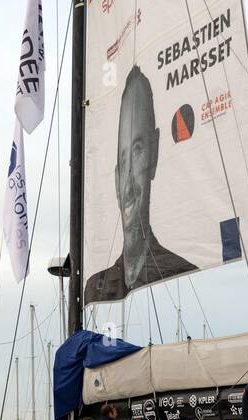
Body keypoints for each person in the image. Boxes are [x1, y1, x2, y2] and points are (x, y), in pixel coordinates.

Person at [84, 67, 197, 304]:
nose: (128, 183)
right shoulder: (95, 290)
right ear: (115, 178)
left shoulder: (182, 273)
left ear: (154, 154)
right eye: (123, 159)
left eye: (137, 150)